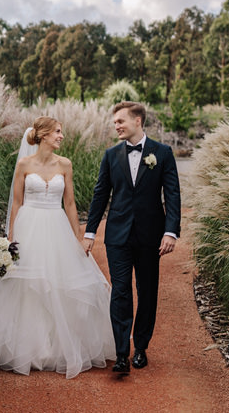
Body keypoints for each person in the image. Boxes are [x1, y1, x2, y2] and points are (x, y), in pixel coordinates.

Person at [0, 117, 116, 379]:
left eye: (61, 132)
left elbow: (71, 204)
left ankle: (57, 348)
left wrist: (78, 237)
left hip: (57, 226)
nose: (61, 136)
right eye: (57, 132)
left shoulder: (65, 164)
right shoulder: (24, 164)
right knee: (25, 287)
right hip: (28, 227)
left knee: (59, 283)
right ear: (42, 135)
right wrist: (10, 240)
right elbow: (17, 204)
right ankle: (26, 347)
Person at [83, 101, 181, 374]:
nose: (116, 126)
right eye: (115, 122)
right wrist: (90, 232)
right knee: (121, 291)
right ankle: (122, 353)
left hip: (151, 237)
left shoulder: (162, 153)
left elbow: (172, 194)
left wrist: (170, 231)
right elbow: (100, 195)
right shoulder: (111, 155)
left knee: (147, 292)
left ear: (138, 121)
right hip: (117, 236)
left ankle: (141, 347)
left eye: (121, 121)